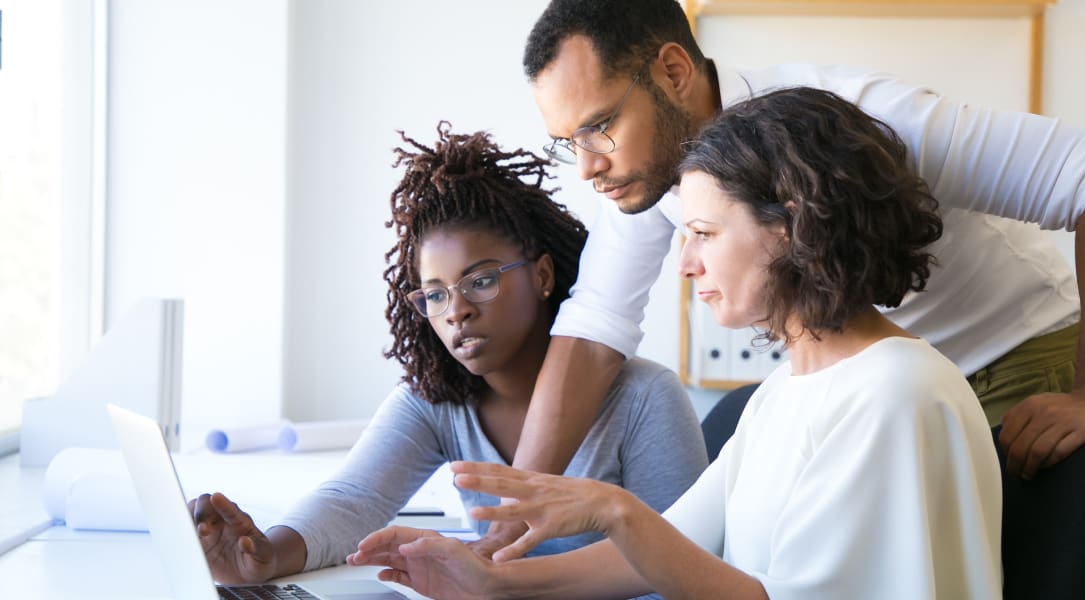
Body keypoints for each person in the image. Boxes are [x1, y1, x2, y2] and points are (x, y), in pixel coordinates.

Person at [469, 0, 1085, 556]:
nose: (587, 165)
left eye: (600, 125)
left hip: (1007, 354)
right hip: (864, 381)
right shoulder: (646, 172)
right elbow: (593, 327)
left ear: (674, 72)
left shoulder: (863, 119)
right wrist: (509, 521)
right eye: (570, 143)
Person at [346, 87, 1004, 599]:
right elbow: (674, 546)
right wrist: (489, 581)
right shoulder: (784, 393)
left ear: (791, 225)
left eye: (704, 234)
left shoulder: (893, 394)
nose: (685, 263)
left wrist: (613, 509)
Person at [187, 123, 708, 584]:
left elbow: (685, 569)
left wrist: (505, 587)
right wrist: (268, 555)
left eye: (480, 280)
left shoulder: (644, 399)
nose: (455, 311)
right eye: (434, 294)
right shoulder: (437, 399)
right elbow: (354, 501)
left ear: (543, 275)